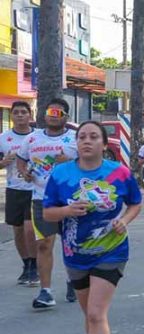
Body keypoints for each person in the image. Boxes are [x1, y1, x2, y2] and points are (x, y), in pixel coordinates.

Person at [42, 121, 142, 334]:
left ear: (104, 144)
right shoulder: (61, 174)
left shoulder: (118, 173)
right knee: (89, 316)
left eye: (93, 137)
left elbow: (135, 203)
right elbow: (47, 213)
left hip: (111, 251)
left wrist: (124, 221)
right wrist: (67, 210)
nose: (87, 141)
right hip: (75, 253)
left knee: (97, 314)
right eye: (82, 137)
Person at [17, 98, 78, 309]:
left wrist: (70, 162)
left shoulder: (74, 139)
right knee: (44, 244)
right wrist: (24, 172)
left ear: (66, 117)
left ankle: (73, 280)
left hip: (69, 199)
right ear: (44, 115)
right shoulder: (32, 138)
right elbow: (21, 159)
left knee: (71, 244)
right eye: (50, 112)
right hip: (41, 198)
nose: (53, 116)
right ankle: (46, 292)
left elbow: (89, 162)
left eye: (58, 113)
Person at [0, 101, 38, 286]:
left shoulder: (38, 136)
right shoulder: (3, 138)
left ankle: (35, 265)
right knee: (18, 230)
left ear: (30, 114)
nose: (20, 115)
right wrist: (3, 162)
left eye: (24, 112)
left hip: (35, 189)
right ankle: (26, 264)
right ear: (12, 115)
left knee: (30, 229)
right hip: (14, 189)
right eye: (16, 112)